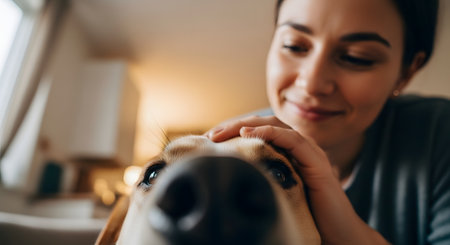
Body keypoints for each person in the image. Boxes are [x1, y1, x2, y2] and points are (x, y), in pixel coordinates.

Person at [205, 0, 450, 244]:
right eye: (294, 46)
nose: (311, 84)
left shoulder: (439, 135)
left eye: (357, 58)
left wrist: (346, 230)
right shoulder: (229, 149)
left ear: (406, 73)